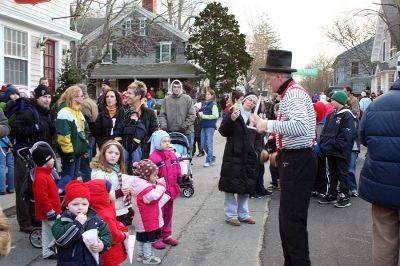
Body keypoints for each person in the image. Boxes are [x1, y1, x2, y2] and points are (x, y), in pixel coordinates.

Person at [250, 50, 317, 265]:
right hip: (293, 159)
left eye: (269, 77)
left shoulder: (294, 94)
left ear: (279, 76)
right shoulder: (290, 94)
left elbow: (301, 126)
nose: (268, 81)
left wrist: (266, 124)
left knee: (292, 222)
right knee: (287, 222)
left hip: (298, 161)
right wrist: (276, 147)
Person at [358, 75, 400, 266]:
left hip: (381, 181)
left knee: (384, 239)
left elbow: (364, 137)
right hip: (382, 180)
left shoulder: (376, 104)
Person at [10, 84, 55, 233]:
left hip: (39, 158)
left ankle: (34, 216)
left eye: (49, 97)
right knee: (24, 190)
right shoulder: (28, 113)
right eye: (44, 97)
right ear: (37, 98)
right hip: (25, 157)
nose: (47, 100)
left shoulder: (47, 113)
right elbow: (14, 130)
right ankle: (24, 222)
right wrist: (32, 129)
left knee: (36, 189)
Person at [219, 91, 263, 226]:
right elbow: (223, 131)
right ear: (244, 100)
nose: (252, 103)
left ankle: (243, 214)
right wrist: (231, 119)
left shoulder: (255, 118)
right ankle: (231, 215)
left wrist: (256, 151)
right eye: (250, 100)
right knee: (230, 185)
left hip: (249, 156)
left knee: (246, 184)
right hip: (233, 154)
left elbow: (259, 137)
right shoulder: (234, 112)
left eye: (254, 102)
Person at [52, 180, 112, 266]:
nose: (80, 207)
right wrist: (77, 224)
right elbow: (61, 240)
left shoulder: (95, 219)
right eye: (75, 204)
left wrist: (102, 245)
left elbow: (107, 235)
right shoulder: (62, 221)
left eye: (84, 204)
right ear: (67, 206)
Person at [318, 91, 357, 208]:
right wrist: (324, 143)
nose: (331, 101)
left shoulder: (347, 115)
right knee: (331, 173)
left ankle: (344, 195)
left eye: (333, 100)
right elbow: (324, 132)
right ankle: (332, 193)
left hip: (340, 151)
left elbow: (347, 136)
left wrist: (334, 144)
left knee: (342, 173)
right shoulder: (331, 115)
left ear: (339, 101)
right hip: (330, 150)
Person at [148, 130, 182, 249]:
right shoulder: (154, 158)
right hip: (160, 192)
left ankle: (167, 235)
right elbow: (151, 174)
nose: (167, 143)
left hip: (171, 190)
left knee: (168, 213)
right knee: (158, 214)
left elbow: (177, 166)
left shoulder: (172, 154)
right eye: (164, 141)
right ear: (157, 142)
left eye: (168, 141)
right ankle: (156, 237)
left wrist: (179, 177)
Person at [131, 159, 166, 264]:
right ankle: (148, 257)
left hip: (142, 219)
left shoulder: (139, 184)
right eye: (154, 175)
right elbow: (154, 197)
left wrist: (155, 183)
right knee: (148, 240)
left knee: (142, 238)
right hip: (147, 220)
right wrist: (160, 186)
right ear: (146, 176)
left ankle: (141, 255)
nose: (157, 177)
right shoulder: (145, 188)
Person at [91, 140, 133, 226]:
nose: (113, 156)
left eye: (117, 154)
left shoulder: (117, 168)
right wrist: (119, 192)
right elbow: (100, 194)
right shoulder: (98, 172)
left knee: (122, 232)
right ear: (103, 153)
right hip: (108, 210)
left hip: (120, 207)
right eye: (110, 152)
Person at [87, 179, 128, 266]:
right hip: (109, 252)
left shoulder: (102, 207)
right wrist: (123, 235)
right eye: (111, 189)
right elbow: (113, 235)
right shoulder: (104, 214)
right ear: (102, 194)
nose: (114, 191)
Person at [31, 145, 62, 259]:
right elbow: (41, 196)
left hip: (49, 211)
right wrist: (49, 210)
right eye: (51, 158)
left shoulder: (45, 174)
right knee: (60, 229)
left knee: (47, 232)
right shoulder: (41, 177)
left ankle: (47, 252)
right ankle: (52, 247)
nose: (54, 160)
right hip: (50, 211)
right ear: (45, 161)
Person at [55, 86, 88, 191]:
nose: (83, 97)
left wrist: (84, 147)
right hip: (70, 152)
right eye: (81, 95)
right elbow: (64, 136)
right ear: (74, 97)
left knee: (73, 178)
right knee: (68, 178)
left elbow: (83, 132)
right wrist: (69, 153)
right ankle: (60, 197)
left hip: (77, 152)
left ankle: (70, 201)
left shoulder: (78, 111)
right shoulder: (64, 112)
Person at [123, 81, 158, 159]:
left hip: (143, 156)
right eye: (126, 93)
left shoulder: (149, 113)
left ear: (138, 96)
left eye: (129, 93)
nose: (126, 95)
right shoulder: (122, 111)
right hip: (124, 155)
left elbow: (154, 135)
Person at [159, 80, 196, 153]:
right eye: (174, 87)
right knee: (171, 153)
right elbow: (162, 115)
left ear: (181, 88)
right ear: (171, 88)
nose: (176, 89)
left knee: (187, 152)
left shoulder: (187, 98)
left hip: (186, 131)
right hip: (170, 131)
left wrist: (184, 126)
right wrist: (164, 126)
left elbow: (192, 115)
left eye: (178, 87)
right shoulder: (167, 99)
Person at [78, 84, 99, 182]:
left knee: (85, 163)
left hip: (87, 135)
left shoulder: (83, 104)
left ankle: (88, 182)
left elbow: (85, 122)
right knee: (88, 159)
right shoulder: (91, 102)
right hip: (92, 134)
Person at [198, 89, 219, 167]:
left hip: (210, 127)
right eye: (206, 94)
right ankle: (212, 157)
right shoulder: (205, 104)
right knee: (203, 144)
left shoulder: (213, 104)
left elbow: (216, 116)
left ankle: (209, 160)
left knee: (209, 144)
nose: (206, 96)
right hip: (203, 126)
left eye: (208, 94)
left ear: (212, 96)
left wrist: (203, 116)